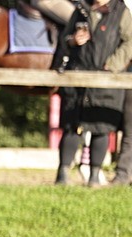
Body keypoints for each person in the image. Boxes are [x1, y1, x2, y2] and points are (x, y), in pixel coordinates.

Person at [51, 0, 132, 185]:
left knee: (101, 127)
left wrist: (113, 64)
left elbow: (130, 41)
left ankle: (94, 175)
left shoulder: (121, 12)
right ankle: (63, 174)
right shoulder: (81, 9)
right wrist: (73, 40)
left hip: (106, 79)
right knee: (72, 125)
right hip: (78, 75)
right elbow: (64, 38)